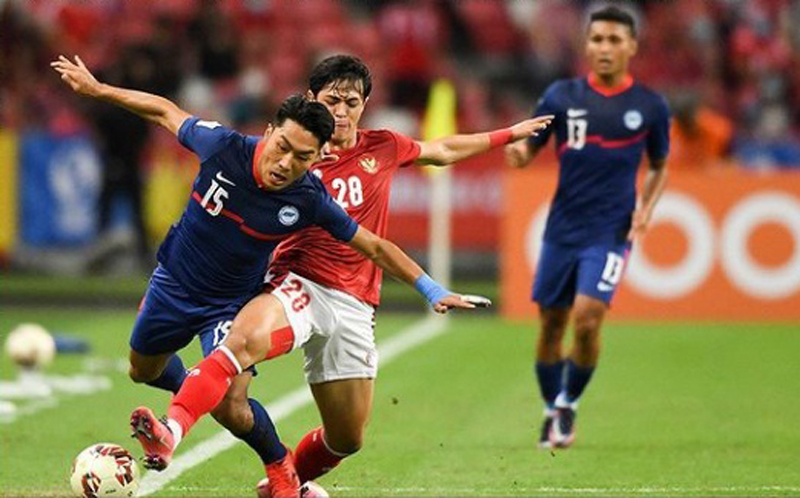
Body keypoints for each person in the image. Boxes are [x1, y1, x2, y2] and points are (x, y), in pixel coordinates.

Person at [51, 55, 483, 497]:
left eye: (301, 158)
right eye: (282, 148)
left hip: (231, 302)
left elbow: (372, 245)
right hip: (174, 283)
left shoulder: (310, 197)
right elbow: (164, 110)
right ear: (271, 131)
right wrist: (98, 89)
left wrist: (429, 287)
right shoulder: (223, 146)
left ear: (316, 159)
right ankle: (201, 387)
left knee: (232, 407)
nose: (285, 164)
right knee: (141, 370)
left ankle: (273, 464)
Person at [258, 55, 553, 489]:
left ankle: (285, 481)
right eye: (332, 101)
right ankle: (186, 407)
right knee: (238, 354)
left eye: (351, 102)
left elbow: (443, 149)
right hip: (296, 282)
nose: (341, 112)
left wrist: (507, 133)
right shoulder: (292, 153)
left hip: (355, 300)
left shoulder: (383, 146)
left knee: (347, 437)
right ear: (311, 100)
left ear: (366, 104)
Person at [504, 6, 670, 450]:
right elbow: (530, 144)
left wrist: (647, 207)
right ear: (586, 44)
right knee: (552, 324)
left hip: (611, 230)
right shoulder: (561, 96)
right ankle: (550, 408)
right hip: (562, 229)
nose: (605, 48)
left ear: (632, 46)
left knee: (588, 318)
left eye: (615, 40)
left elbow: (658, 166)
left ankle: (568, 404)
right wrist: (519, 153)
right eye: (598, 39)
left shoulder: (650, 106)